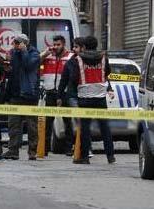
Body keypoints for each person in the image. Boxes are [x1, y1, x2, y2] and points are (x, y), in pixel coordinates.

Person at [66, 36, 115, 165]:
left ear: (85, 47)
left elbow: (74, 77)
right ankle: (110, 156)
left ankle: (85, 156)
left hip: (84, 98)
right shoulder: (104, 58)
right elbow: (107, 72)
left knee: (85, 129)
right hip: (100, 98)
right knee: (105, 128)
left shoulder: (78, 59)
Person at [2, 34, 40, 160]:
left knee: (32, 126)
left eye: (18, 43)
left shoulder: (34, 53)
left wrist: (24, 51)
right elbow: (12, 72)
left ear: (25, 43)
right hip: (15, 94)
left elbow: (28, 65)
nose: (16, 45)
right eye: (15, 43)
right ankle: (13, 150)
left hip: (29, 94)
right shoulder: (13, 53)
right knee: (13, 124)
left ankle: (32, 151)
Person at [39, 35, 73, 153]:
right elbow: (35, 62)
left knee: (67, 121)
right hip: (50, 92)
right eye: (54, 44)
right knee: (48, 121)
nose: (56, 47)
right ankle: (45, 148)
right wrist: (46, 52)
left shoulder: (70, 57)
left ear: (64, 44)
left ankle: (69, 148)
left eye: (58, 45)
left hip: (64, 93)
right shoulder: (48, 56)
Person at [57, 37, 86, 155]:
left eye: (76, 47)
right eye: (73, 47)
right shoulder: (71, 62)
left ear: (83, 48)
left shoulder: (91, 61)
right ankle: (72, 147)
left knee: (84, 122)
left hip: (86, 96)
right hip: (72, 95)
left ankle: (84, 147)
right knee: (74, 121)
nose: (74, 49)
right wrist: (59, 96)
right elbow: (63, 80)